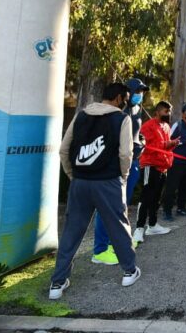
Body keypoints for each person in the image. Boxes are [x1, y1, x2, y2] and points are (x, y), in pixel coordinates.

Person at [49, 82, 140, 299]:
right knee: (118, 226)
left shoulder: (81, 115)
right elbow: (125, 154)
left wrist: (73, 175)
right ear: (118, 98)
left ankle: (57, 283)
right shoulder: (122, 118)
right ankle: (129, 271)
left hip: (80, 182)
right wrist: (123, 178)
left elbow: (64, 149)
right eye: (126, 98)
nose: (127, 102)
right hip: (108, 182)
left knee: (72, 231)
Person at [91, 77, 149, 265]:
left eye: (142, 92)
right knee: (108, 206)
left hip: (133, 163)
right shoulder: (116, 110)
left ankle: (116, 241)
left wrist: (140, 141)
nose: (140, 95)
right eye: (137, 91)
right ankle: (100, 249)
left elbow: (133, 133)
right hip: (117, 164)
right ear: (127, 93)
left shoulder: (137, 110)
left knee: (121, 206)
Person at [132, 101, 179, 243]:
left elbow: (164, 146)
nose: (168, 114)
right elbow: (146, 146)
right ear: (157, 112)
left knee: (156, 197)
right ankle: (139, 228)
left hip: (162, 166)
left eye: (169, 111)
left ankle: (152, 225)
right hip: (149, 165)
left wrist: (172, 144)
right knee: (146, 196)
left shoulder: (166, 126)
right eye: (166, 111)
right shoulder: (148, 126)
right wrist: (168, 144)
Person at [163, 103, 186, 221]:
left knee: (185, 187)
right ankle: (167, 211)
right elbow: (168, 142)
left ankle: (181, 208)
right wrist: (184, 142)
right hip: (176, 162)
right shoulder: (177, 125)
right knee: (171, 187)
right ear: (183, 113)